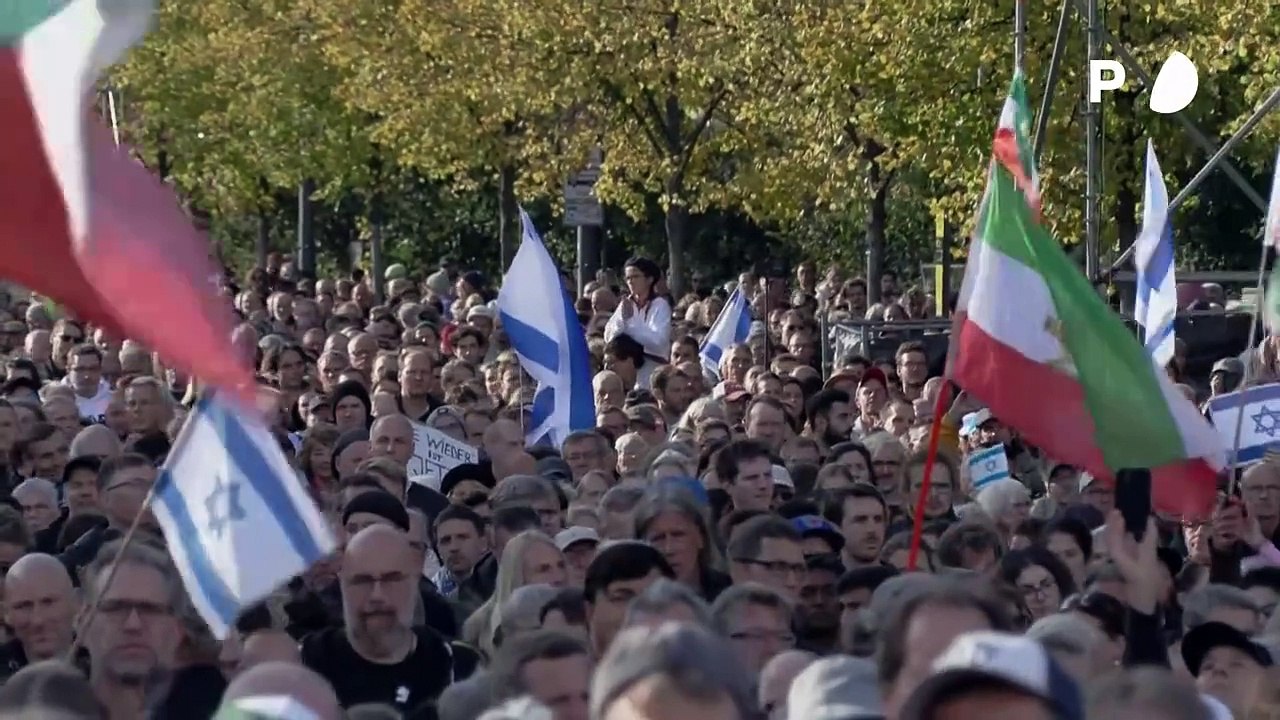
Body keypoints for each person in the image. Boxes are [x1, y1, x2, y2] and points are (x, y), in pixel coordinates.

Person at [301, 525, 479, 716]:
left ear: (413, 582)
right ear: (342, 585)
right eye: (362, 581)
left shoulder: (459, 666)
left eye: (391, 579)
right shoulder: (302, 664)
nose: (377, 595)